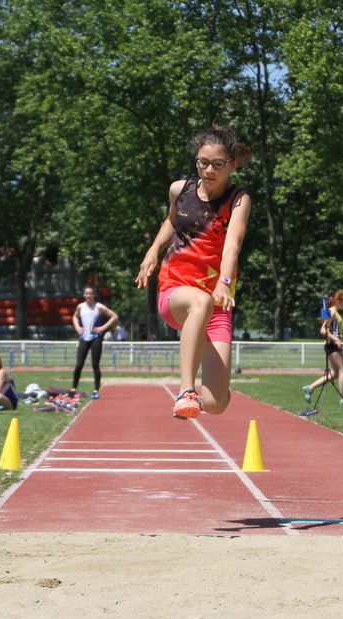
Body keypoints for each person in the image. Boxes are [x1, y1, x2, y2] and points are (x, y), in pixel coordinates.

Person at [135, 126, 252, 419]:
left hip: (218, 300)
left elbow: (232, 246)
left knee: (215, 405)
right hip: (176, 291)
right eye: (202, 162)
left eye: (217, 164)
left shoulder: (239, 200)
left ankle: (210, 391)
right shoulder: (180, 189)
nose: (208, 170)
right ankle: (186, 390)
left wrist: (224, 282)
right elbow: (172, 222)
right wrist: (153, 250)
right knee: (199, 301)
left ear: (232, 164)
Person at [302, 290, 343, 404]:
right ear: (338, 301)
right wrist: (336, 339)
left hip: (332, 344)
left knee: (335, 373)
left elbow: (334, 330)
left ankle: (310, 388)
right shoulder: (332, 312)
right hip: (333, 345)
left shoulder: (335, 312)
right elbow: (323, 330)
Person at [71, 286, 120, 399]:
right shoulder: (80, 306)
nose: (89, 296)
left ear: (94, 295)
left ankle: (96, 390)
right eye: (87, 294)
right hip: (84, 338)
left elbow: (114, 316)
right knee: (79, 364)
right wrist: (78, 327)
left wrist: (103, 328)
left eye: (91, 294)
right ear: (84, 295)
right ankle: (73, 388)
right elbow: (74, 317)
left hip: (95, 338)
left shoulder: (99, 307)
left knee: (95, 365)